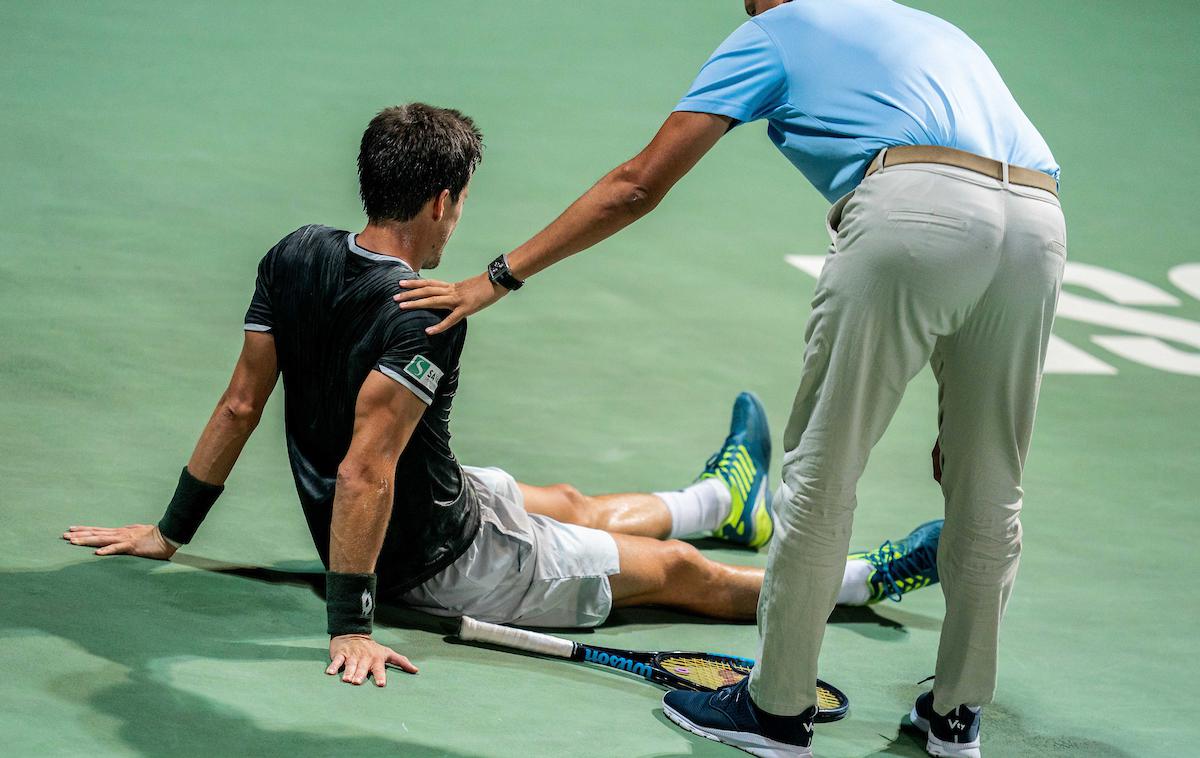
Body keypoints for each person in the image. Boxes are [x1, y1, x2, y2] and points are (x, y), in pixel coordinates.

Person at [63, 103, 942, 693]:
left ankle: (724, 497)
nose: (458, 222)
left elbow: (239, 407)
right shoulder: (428, 316)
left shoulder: (293, 252)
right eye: (461, 204)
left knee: (562, 502)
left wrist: (167, 531)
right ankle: (865, 581)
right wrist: (352, 624)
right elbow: (367, 470)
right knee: (679, 577)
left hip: (438, 503)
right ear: (441, 200)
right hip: (448, 561)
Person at [394, 1, 1065, 755]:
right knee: (990, 485)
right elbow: (994, 211)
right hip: (1038, 223)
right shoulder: (922, 26)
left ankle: (777, 712)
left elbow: (639, 183)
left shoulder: (773, 32)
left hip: (916, 212)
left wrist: (496, 278)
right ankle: (956, 717)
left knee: (820, 475)